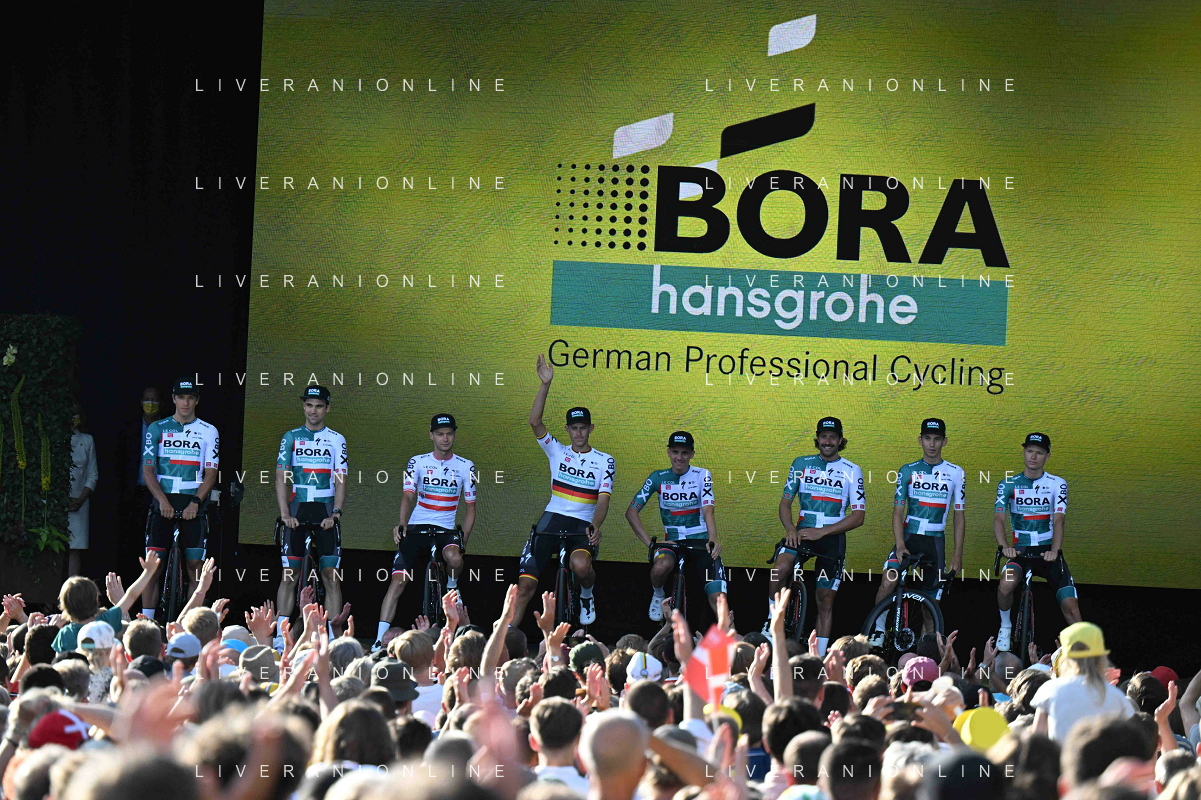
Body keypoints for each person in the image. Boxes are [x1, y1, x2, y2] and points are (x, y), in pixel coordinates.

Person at [512, 354, 614, 627]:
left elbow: (603, 499)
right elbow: (535, 422)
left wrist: (595, 525)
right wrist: (545, 384)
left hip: (583, 522)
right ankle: (506, 637)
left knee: (580, 566)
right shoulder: (557, 450)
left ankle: (587, 595)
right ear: (567, 429)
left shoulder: (605, 460)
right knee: (525, 586)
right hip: (552, 518)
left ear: (591, 428)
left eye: (583, 428)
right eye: (574, 428)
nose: (579, 433)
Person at [374, 412, 477, 651]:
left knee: (454, 558)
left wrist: (463, 539)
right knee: (398, 582)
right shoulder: (417, 462)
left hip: (446, 529)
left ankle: (452, 584)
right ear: (431, 435)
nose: (445, 438)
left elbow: (471, 507)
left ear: (454, 435)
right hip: (418, 526)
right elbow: (408, 495)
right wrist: (402, 523)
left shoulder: (466, 466)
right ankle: (379, 639)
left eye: (449, 434)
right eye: (440, 434)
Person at [767, 416, 865, 656]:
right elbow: (785, 503)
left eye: (833, 437)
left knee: (825, 599)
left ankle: (819, 657)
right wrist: (790, 529)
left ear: (840, 440)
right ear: (817, 439)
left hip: (832, 537)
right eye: (823, 437)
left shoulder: (852, 470)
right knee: (779, 569)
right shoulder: (801, 463)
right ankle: (770, 620)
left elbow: (858, 516)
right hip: (801, 532)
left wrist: (822, 532)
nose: (827, 441)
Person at [868, 418, 965, 648]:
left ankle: (924, 654)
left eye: (937, 439)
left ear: (944, 441)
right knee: (888, 580)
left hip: (935, 542)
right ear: (920, 440)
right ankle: (878, 631)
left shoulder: (956, 473)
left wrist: (957, 554)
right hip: (909, 537)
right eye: (927, 439)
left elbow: (959, 516)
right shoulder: (907, 470)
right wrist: (900, 544)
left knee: (930, 608)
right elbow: (897, 512)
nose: (932, 444)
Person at [626, 431, 726, 622]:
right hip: (672, 542)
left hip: (700, 541)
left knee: (719, 600)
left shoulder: (702, 475)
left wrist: (712, 539)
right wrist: (650, 544)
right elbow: (631, 512)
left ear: (692, 454)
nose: (679, 457)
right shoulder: (657, 477)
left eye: (684, 453)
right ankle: (658, 594)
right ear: (668, 452)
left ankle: (726, 635)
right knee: (660, 567)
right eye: (675, 452)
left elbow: (708, 510)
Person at [140, 377, 218, 619]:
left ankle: (190, 622)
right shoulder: (157, 428)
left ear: (197, 400)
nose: (186, 403)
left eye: (190, 398)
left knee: (195, 566)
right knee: (153, 567)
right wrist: (162, 500)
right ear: (174, 399)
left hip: (193, 502)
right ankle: (147, 621)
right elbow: (148, 470)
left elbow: (211, 473)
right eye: (181, 397)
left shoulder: (209, 431)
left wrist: (195, 502)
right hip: (163, 501)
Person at [994, 432, 1079, 652]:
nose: (1033, 456)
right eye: (1029, 451)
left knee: (1071, 608)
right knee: (1005, 585)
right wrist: (1004, 547)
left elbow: (1059, 520)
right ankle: (1005, 626)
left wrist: (1055, 550)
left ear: (1047, 456)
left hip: (1048, 551)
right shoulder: (1008, 483)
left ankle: (1086, 654)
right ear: (1024, 452)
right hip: (1019, 552)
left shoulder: (1057, 483)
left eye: (1039, 452)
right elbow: (998, 518)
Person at [275, 385, 348, 641]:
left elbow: (341, 478)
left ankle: (332, 638)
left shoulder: (337, 439)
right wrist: (285, 514)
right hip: (297, 509)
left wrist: (336, 513)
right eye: (309, 405)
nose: (313, 411)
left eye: (319, 406)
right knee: (289, 576)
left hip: (325, 511)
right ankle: (280, 638)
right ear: (303, 406)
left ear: (327, 408)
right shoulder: (290, 437)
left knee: (331, 577)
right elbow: (281, 477)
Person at [1031, 622, 1133, 741]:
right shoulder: (1117, 696)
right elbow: (1129, 741)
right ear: (1101, 657)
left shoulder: (1048, 690)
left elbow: (1036, 742)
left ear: (1065, 659)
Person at [67, 399, 98, 577]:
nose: (72, 417)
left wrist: (80, 499)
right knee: (53, 548)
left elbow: (93, 475)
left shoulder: (87, 440)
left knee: (75, 549)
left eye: (75, 413)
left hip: (80, 503)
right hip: (54, 504)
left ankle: (73, 592)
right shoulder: (53, 440)